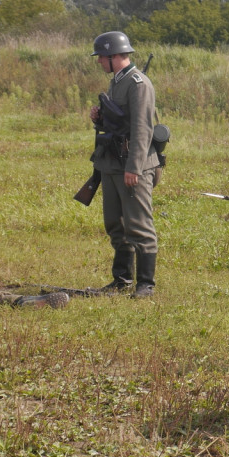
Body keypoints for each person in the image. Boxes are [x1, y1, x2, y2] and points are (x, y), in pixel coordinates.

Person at [89, 31, 159, 298]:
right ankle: (121, 280)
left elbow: (143, 129)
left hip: (133, 164)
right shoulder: (116, 82)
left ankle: (145, 284)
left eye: (102, 57)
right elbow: (119, 122)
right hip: (112, 163)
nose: (98, 62)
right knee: (115, 223)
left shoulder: (138, 83)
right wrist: (99, 118)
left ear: (115, 56)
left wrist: (135, 167)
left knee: (139, 224)